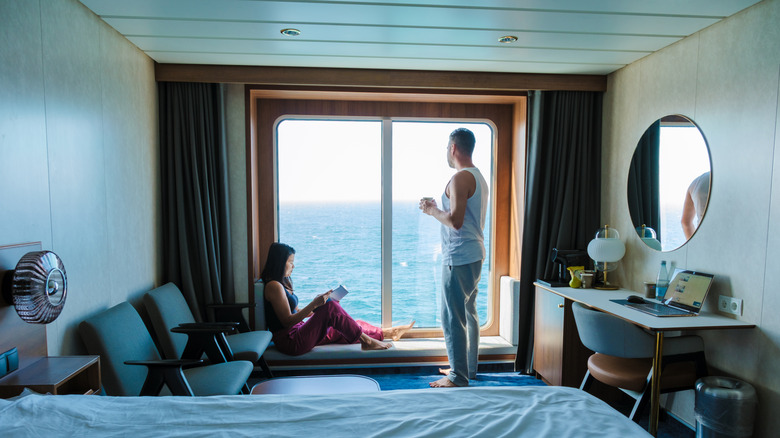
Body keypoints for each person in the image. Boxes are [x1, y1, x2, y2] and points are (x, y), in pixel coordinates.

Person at [419, 127, 488, 388]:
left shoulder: (460, 178)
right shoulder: (478, 177)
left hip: (458, 256)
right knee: (468, 312)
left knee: (452, 315)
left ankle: (458, 377)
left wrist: (432, 209)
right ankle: (467, 367)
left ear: (453, 148)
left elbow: (455, 221)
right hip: (474, 254)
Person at [261, 242, 415, 356]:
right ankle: (367, 342)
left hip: (298, 330)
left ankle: (389, 332)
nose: (293, 266)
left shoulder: (282, 283)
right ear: (280, 263)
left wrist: (316, 307)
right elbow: (287, 321)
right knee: (332, 310)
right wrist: (314, 304)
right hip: (291, 341)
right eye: (290, 262)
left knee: (348, 324)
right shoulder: (274, 286)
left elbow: (295, 313)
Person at [681, 171, 710, 239]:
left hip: (704, 241)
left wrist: (694, 247)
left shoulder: (697, 182)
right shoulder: (736, 179)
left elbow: (686, 222)